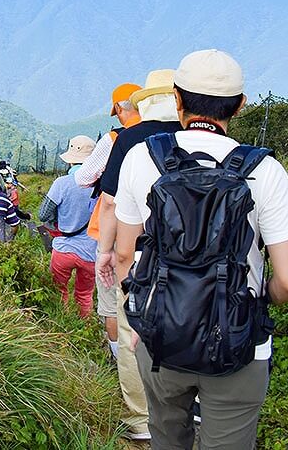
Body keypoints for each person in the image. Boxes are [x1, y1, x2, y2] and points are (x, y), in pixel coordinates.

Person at [114, 50, 288, 449]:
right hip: (238, 343)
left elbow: (123, 257)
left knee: (168, 439)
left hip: (161, 336)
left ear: (178, 99)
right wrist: (256, 300)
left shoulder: (141, 157)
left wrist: (137, 323)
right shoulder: (264, 171)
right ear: (240, 105)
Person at [94, 69, 182, 443]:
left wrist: (107, 252)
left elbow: (111, 202)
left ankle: (142, 421)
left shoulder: (131, 139)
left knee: (134, 335)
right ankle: (185, 411)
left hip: (143, 255)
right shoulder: (195, 135)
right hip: (197, 258)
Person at [75, 83, 142, 362]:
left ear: (117, 109)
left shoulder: (116, 138)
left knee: (113, 299)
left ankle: (120, 359)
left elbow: (83, 178)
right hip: (156, 228)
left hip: (115, 229)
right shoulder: (166, 134)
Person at [38, 136, 99, 316]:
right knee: (85, 294)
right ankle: (85, 329)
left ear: (71, 160)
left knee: (58, 291)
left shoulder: (62, 183)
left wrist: (56, 225)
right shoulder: (101, 184)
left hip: (63, 247)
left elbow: (43, 214)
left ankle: (61, 326)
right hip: (91, 251)